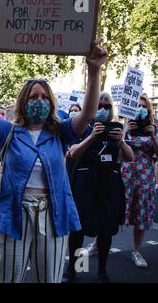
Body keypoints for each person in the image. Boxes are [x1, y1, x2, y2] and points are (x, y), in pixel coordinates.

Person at [0, 39, 108, 283]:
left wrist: (94, 70)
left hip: (52, 216)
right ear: (23, 102)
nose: (39, 101)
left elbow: (88, 114)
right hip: (12, 216)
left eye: (43, 97)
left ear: (50, 102)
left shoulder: (61, 133)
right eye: (33, 97)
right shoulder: (9, 131)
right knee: (7, 278)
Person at [66, 92, 134, 283]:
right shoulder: (81, 128)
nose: (103, 110)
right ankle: (75, 268)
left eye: (107, 106)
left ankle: (102, 271)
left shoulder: (116, 129)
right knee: (79, 230)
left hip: (108, 187)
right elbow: (72, 153)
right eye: (99, 106)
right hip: (85, 186)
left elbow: (130, 157)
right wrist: (92, 137)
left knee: (106, 229)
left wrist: (120, 140)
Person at [121, 95, 157, 268]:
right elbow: (116, 152)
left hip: (145, 177)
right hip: (127, 174)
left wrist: (153, 136)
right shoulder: (125, 126)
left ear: (148, 109)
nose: (141, 109)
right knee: (115, 209)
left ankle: (136, 251)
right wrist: (125, 131)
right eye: (138, 106)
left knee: (141, 213)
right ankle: (98, 244)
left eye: (144, 106)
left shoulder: (154, 128)